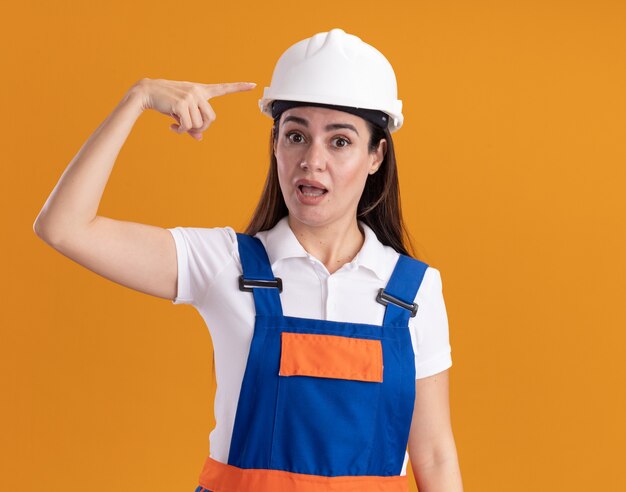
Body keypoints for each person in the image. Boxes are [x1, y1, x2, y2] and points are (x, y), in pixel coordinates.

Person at [34, 28, 463, 492]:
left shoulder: (413, 290)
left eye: (339, 141)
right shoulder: (223, 264)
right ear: (275, 144)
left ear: (377, 155)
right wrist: (136, 99)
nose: (311, 161)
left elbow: (436, 456)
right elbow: (64, 227)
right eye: (296, 135)